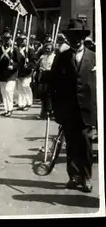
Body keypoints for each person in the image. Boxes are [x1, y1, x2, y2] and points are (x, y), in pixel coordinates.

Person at [49, 19, 96, 193]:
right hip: (68, 109)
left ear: (83, 37)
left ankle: (86, 178)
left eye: (78, 36)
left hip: (87, 109)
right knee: (70, 144)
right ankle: (74, 176)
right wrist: (53, 109)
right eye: (71, 36)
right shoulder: (62, 57)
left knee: (85, 143)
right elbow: (53, 85)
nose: (75, 40)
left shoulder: (93, 57)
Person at [0, 31, 21, 117]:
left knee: (8, 91)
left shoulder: (15, 49)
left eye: (8, 39)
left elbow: (19, 62)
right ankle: (6, 109)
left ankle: (10, 109)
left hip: (11, 74)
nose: (7, 40)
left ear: (11, 39)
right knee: (3, 92)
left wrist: (13, 66)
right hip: (2, 74)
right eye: (5, 39)